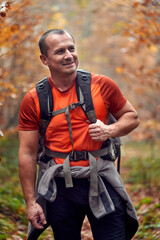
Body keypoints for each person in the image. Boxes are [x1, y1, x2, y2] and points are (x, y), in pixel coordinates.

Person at [19, 29, 139, 240]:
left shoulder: (101, 85)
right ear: (44, 59)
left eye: (71, 48)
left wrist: (109, 130)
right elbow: (27, 153)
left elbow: (131, 116)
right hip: (59, 184)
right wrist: (31, 203)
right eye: (60, 51)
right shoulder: (34, 98)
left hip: (101, 176)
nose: (68, 55)